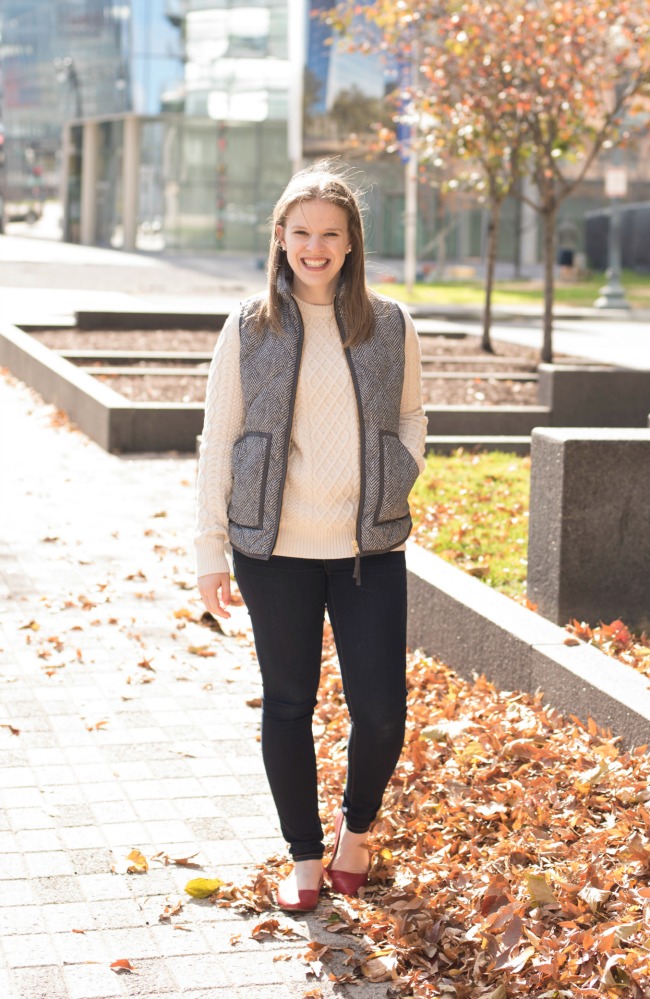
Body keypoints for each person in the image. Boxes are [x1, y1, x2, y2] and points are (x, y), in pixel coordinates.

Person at [195, 161, 427, 912]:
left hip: (368, 549)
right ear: (281, 238)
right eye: (302, 232)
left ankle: (356, 831)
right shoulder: (248, 327)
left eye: (330, 233)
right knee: (289, 703)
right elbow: (216, 439)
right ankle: (302, 852)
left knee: (382, 709)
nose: (315, 246)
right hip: (275, 551)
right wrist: (208, 553)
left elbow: (413, 415)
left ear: (352, 241)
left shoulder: (389, 323)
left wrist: (399, 469)